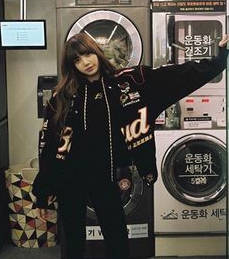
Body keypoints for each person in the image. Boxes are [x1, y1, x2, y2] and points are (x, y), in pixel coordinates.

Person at [32, 32, 229, 259]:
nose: (85, 62)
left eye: (87, 54)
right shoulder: (63, 95)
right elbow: (48, 144)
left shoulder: (130, 82)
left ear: (96, 52)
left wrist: (219, 58)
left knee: (117, 240)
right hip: (69, 180)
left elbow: (179, 76)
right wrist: (43, 190)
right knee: (73, 243)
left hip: (105, 177)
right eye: (76, 60)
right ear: (71, 66)